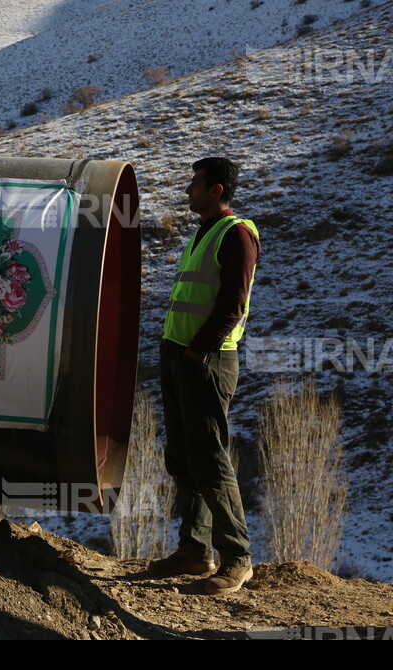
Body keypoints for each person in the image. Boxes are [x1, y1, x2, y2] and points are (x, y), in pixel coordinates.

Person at [150, 157, 260, 595]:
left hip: (207, 362)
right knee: (184, 458)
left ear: (217, 190)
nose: (188, 190)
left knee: (211, 459)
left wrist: (197, 352)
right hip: (180, 359)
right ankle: (194, 552)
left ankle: (237, 558)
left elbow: (233, 304)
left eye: (195, 183)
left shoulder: (236, 233)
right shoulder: (203, 232)